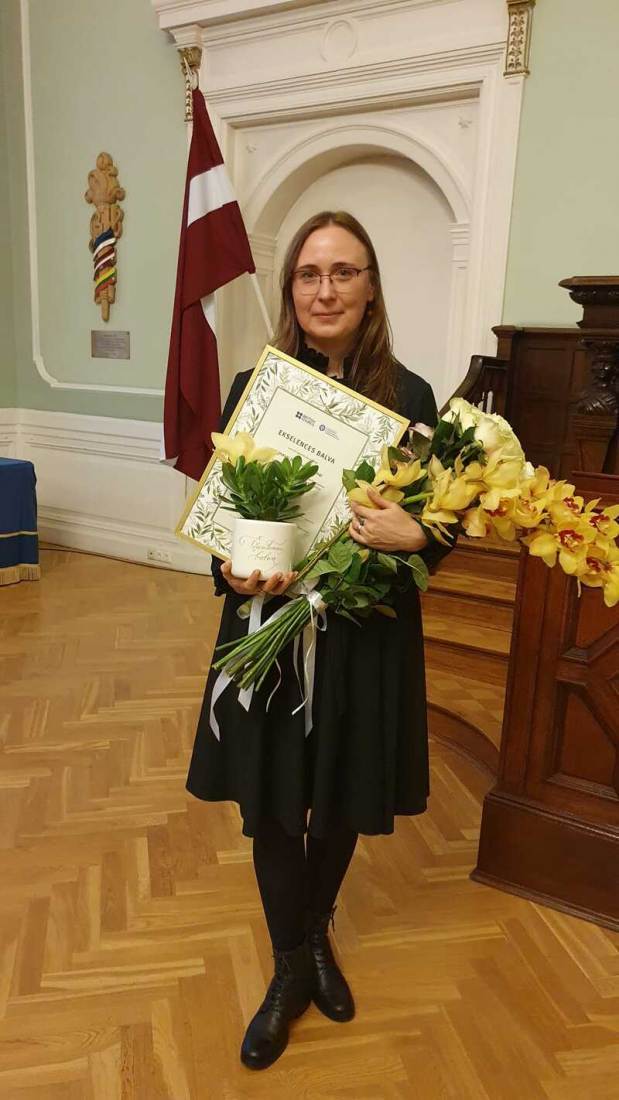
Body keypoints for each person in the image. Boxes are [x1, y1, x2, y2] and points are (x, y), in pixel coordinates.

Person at [186, 210, 455, 1071]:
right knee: (273, 800)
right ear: (290, 289)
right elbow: (223, 519)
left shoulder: (412, 398)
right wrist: (229, 569)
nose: (325, 290)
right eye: (309, 273)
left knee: (338, 793)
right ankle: (289, 967)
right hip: (268, 624)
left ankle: (312, 937)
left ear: (370, 288)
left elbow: (440, 521)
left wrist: (422, 538)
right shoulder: (252, 390)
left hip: (363, 634)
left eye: (343, 272)